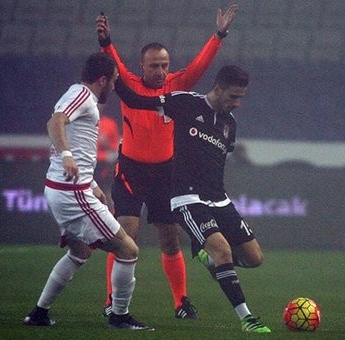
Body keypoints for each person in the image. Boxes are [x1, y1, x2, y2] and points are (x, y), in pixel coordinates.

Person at [95, 3, 238, 319]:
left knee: (170, 240)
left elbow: (201, 65)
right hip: (131, 169)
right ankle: (112, 301)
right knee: (125, 234)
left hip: (166, 172)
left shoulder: (178, 86)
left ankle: (181, 303)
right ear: (142, 67)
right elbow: (112, 61)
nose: (160, 71)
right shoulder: (128, 84)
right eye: (154, 66)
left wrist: (219, 35)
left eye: (164, 65)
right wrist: (106, 42)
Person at [113, 65, 271, 333]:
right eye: (233, 97)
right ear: (218, 89)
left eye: (241, 97)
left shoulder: (229, 124)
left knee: (255, 258)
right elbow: (136, 101)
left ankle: (210, 261)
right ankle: (247, 318)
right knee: (221, 249)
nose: (238, 104)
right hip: (186, 197)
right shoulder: (185, 102)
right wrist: (115, 76)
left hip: (218, 199)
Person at [23, 52, 150, 330]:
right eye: (114, 80)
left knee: (80, 252)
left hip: (66, 189)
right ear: (102, 79)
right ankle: (119, 316)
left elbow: (78, 146)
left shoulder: (79, 96)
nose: (115, 87)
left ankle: (39, 313)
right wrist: (66, 154)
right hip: (71, 193)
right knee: (128, 248)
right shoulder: (82, 95)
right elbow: (54, 122)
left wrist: (92, 184)